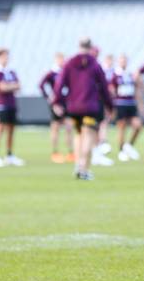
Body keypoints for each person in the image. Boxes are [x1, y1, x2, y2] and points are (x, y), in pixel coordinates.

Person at [52, 38, 112, 180]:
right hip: (90, 106)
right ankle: (83, 167)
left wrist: (57, 102)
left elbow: (60, 84)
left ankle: (78, 164)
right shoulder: (94, 64)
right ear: (90, 47)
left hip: (74, 108)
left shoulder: (70, 63)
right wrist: (109, 105)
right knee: (89, 135)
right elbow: (103, 86)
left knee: (78, 134)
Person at [0, 48, 25, 167]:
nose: (6, 58)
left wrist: (10, 86)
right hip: (2, 104)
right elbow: (2, 88)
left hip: (12, 104)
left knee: (11, 130)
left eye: (7, 56)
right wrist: (12, 86)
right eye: (4, 56)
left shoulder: (11, 72)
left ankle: (9, 155)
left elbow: (19, 85)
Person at [39, 52, 74, 164]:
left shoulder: (66, 72)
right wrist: (50, 99)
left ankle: (71, 153)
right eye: (60, 59)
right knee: (55, 128)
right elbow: (41, 85)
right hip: (56, 104)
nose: (62, 61)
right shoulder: (51, 73)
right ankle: (55, 152)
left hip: (67, 104)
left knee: (69, 127)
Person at [110, 54, 143, 162]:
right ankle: (121, 150)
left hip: (131, 103)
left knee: (138, 125)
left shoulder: (130, 74)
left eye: (125, 61)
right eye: (121, 61)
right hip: (120, 104)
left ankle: (128, 146)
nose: (123, 62)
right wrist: (112, 106)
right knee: (122, 127)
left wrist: (140, 103)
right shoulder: (115, 75)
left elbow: (137, 88)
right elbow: (111, 90)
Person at [95, 53, 115, 162]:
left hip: (105, 100)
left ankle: (101, 144)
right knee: (98, 124)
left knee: (103, 122)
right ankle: (101, 143)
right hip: (99, 100)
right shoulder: (100, 70)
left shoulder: (113, 71)